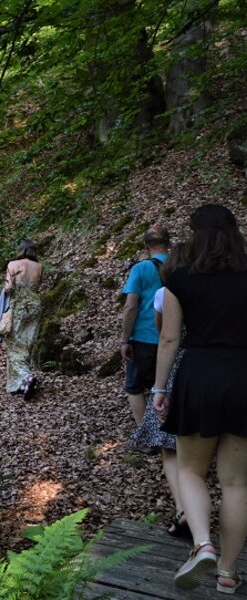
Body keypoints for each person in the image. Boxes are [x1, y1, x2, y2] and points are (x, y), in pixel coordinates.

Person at [152, 204, 247, 592]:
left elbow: (170, 337)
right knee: (237, 484)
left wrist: (159, 388)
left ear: (194, 233)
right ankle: (227, 572)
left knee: (190, 470)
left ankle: (201, 544)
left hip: (198, 376)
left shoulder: (179, 276)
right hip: (243, 376)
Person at [131, 242, 188, 539]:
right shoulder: (210, 291)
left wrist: (159, 388)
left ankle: (183, 508)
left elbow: (163, 331)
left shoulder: (164, 294)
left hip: (174, 369)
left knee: (170, 445)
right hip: (205, 367)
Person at [121, 226, 170, 426]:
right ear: (169, 243)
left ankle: (147, 436)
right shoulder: (182, 266)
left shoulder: (141, 269)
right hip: (174, 338)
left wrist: (125, 339)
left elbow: (131, 306)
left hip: (144, 337)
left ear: (145, 246)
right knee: (166, 385)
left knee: (134, 387)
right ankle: (172, 432)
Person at [3, 240, 43, 398]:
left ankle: (27, 377)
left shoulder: (13, 264)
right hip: (35, 307)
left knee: (14, 344)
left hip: (19, 306)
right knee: (26, 344)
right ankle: (19, 385)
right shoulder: (39, 267)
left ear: (20, 250)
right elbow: (38, 285)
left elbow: (8, 288)